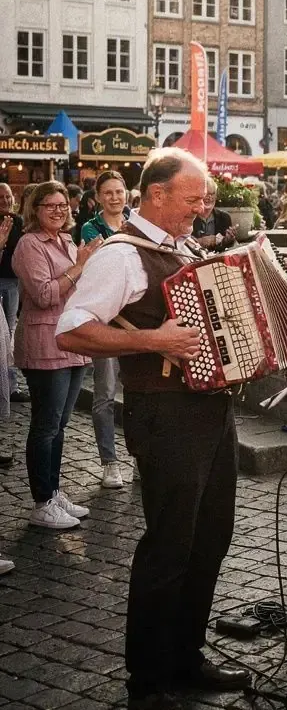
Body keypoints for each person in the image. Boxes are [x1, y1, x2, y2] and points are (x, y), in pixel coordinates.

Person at [56, 149, 263, 710]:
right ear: (155, 194)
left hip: (212, 410)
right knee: (169, 545)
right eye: (192, 199)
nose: (202, 209)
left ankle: (185, 656)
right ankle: (146, 684)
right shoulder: (121, 255)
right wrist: (153, 341)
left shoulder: (185, 249)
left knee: (211, 537)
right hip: (165, 414)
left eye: (204, 200)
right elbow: (71, 330)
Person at [12, 182, 101, 530]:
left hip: (72, 340)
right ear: (35, 209)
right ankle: (41, 502)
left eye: (63, 205)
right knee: (46, 425)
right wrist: (79, 267)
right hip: (45, 343)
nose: (59, 210)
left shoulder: (66, 240)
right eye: (50, 205)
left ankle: (53, 491)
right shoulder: (29, 244)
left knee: (60, 425)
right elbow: (45, 294)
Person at [81, 170, 131, 488]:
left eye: (119, 191)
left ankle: (141, 456)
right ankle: (109, 462)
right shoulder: (91, 228)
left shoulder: (136, 221)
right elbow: (101, 267)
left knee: (139, 392)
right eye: (108, 193)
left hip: (137, 320)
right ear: (98, 197)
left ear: (127, 194)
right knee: (105, 395)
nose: (114, 197)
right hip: (106, 320)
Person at [0, 183, 24, 397]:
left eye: (8, 196)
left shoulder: (18, 221)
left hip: (13, 282)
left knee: (9, 332)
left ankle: (10, 384)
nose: (5, 201)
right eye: (1, 197)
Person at [191, 177, 236, 253]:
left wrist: (227, 241)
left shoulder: (224, 218)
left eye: (212, 194)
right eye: (206, 194)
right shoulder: (189, 216)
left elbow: (228, 248)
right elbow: (182, 245)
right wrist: (200, 242)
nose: (210, 197)